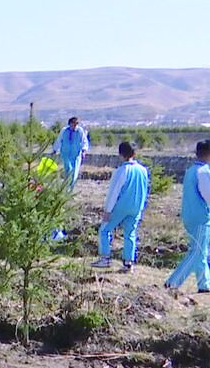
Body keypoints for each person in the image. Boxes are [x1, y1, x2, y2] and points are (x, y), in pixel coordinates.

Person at [92, 142, 149, 272]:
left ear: (120, 154)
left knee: (105, 230)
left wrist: (108, 210)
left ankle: (105, 258)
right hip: (136, 207)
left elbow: (114, 192)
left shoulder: (122, 170)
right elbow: (145, 189)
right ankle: (128, 262)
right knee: (130, 233)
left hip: (121, 206)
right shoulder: (143, 170)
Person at [166, 140, 210, 293]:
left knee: (202, 250)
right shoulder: (204, 171)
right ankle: (172, 283)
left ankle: (204, 283)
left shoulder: (192, 170)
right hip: (200, 217)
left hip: (189, 214)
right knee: (197, 251)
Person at [52, 116, 90, 191]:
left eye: (76, 123)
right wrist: (55, 149)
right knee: (68, 170)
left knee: (75, 172)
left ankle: (71, 189)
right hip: (65, 154)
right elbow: (59, 140)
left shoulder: (80, 131)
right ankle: (66, 187)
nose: (75, 125)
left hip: (75, 155)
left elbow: (84, 141)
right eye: (73, 123)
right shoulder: (64, 130)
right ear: (70, 123)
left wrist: (84, 151)